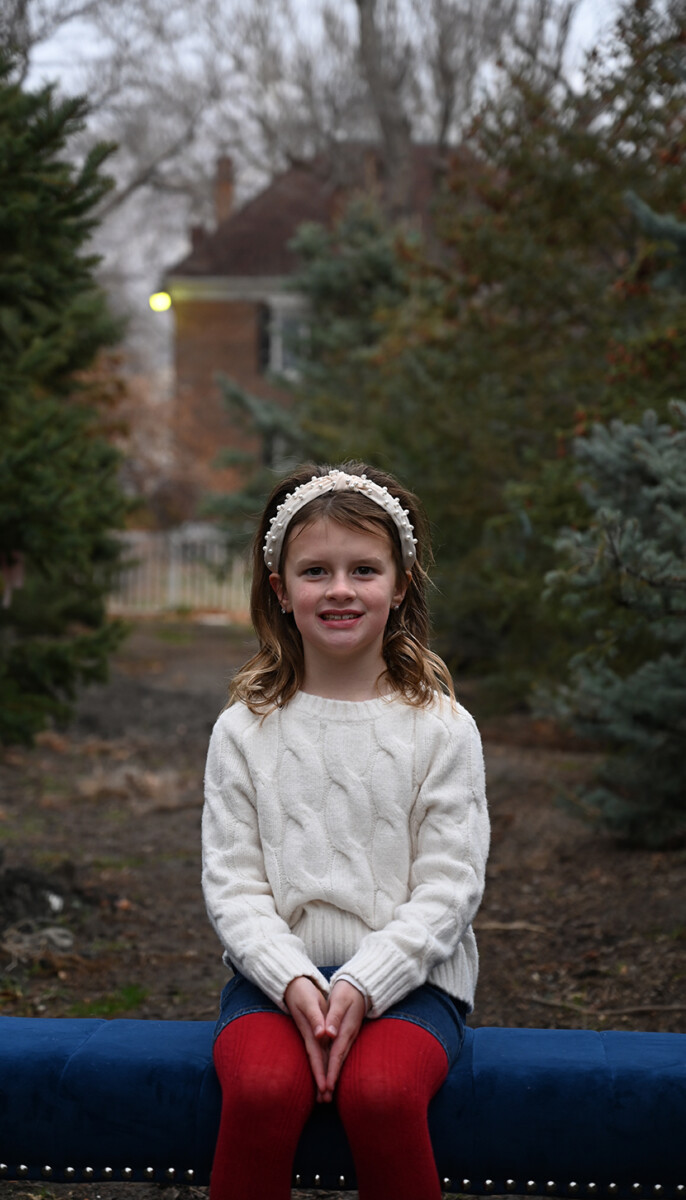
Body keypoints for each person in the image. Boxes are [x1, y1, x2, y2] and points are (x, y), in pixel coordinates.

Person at [202, 462, 489, 1200]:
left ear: (401, 584)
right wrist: (293, 978)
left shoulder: (442, 728)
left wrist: (366, 981)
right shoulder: (243, 730)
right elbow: (233, 885)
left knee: (382, 1092)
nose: (339, 589)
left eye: (364, 569)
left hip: (413, 981)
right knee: (263, 1087)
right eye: (315, 571)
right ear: (279, 587)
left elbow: (451, 886)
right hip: (273, 979)